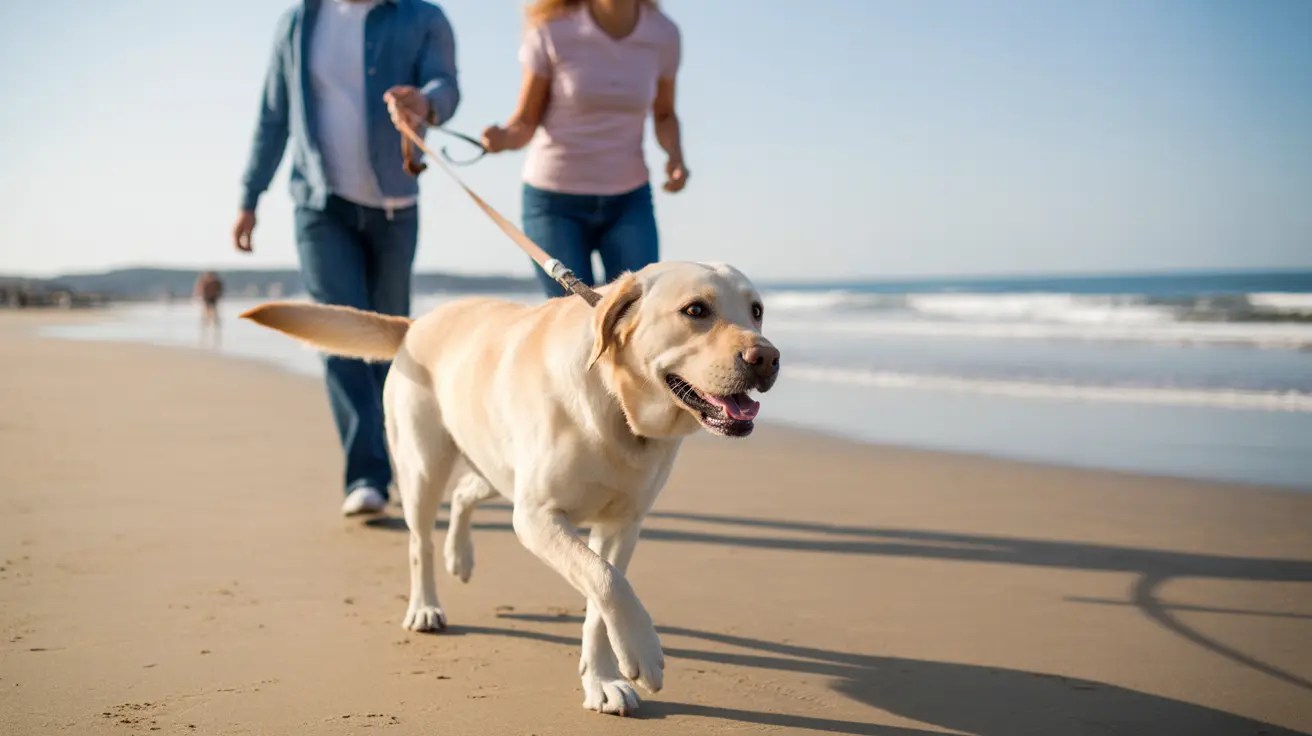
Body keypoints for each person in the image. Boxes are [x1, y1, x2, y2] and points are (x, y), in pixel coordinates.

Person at [232, 0, 461, 516]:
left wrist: (425, 102)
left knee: (392, 340)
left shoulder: (422, 17)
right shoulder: (297, 23)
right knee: (339, 335)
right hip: (319, 205)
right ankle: (366, 476)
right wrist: (250, 197)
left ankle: (404, 458)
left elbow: (446, 84)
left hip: (395, 207)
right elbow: (273, 116)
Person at [481, 0, 687, 298]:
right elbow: (525, 122)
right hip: (554, 204)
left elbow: (665, 114)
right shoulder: (552, 30)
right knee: (575, 313)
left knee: (639, 309)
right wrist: (501, 138)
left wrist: (675, 157)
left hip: (629, 201)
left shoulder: (663, 34)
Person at [193, 271, 224, 347]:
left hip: (213, 297)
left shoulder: (216, 282)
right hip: (207, 297)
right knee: (207, 310)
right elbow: (200, 288)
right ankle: (206, 321)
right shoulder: (205, 281)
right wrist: (199, 294)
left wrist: (219, 295)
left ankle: (214, 321)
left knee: (214, 310)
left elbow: (220, 289)